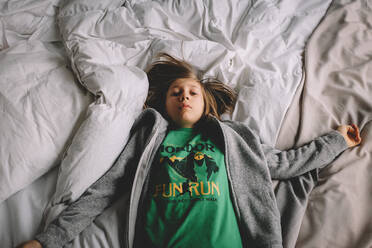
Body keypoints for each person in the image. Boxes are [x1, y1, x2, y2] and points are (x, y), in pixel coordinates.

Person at [18, 53, 361, 248]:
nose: (184, 96)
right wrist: (47, 241)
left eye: (193, 92)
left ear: (207, 102)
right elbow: (103, 191)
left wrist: (335, 142)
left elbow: (284, 164)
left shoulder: (232, 138)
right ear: (164, 104)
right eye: (176, 92)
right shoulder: (150, 140)